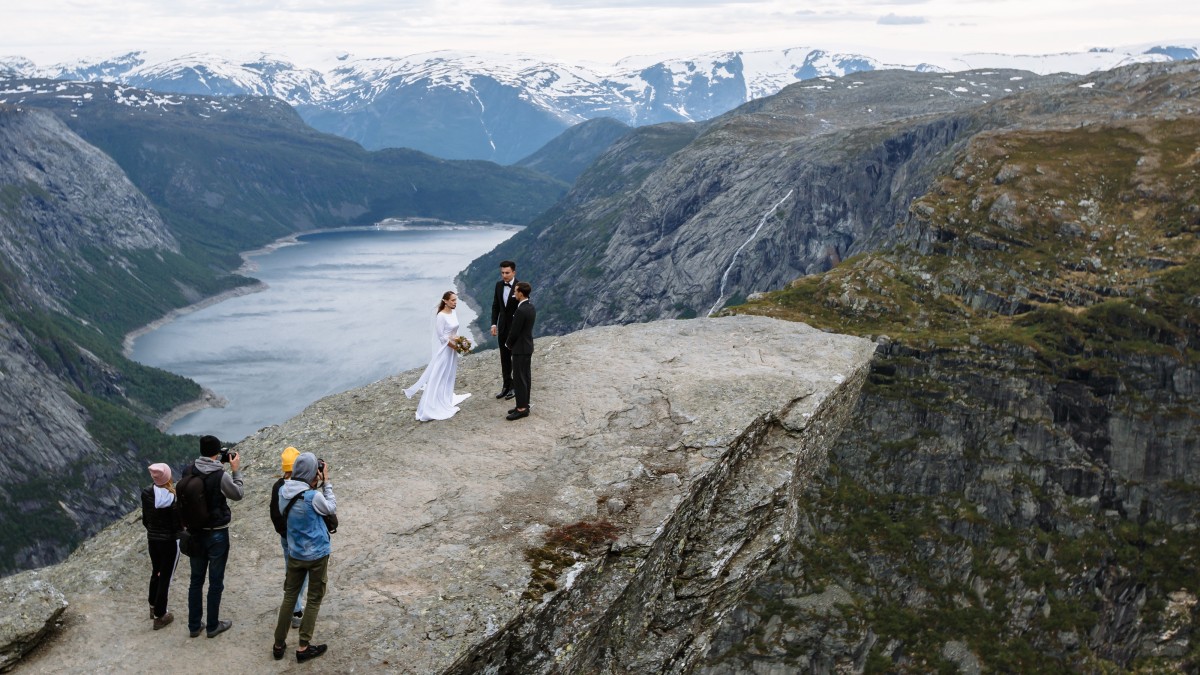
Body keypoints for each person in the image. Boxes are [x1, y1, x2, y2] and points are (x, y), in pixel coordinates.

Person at [271, 452, 336, 663]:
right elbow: (330, 508)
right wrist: (326, 483)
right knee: (314, 598)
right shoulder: (313, 496)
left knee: (290, 597)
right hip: (317, 554)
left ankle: (279, 644)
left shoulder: (282, 491)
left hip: (295, 552)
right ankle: (303, 646)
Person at [181, 434, 244, 639]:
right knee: (215, 581)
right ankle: (212, 625)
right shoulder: (220, 475)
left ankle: (193, 626)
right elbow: (237, 494)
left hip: (195, 533)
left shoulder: (189, 470)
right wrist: (235, 472)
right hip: (217, 534)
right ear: (218, 454)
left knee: (196, 580)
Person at [404, 291, 472, 421]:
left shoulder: (453, 312)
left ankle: (445, 397)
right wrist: (457, 346)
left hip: (453, 350)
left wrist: (462, 341)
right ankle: (431, 404)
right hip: (446, 350)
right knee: (439, 374)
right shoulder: (441, 316)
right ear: (445, 301)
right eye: (452, 300)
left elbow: (455, 332)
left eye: (455, 300)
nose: (455, 302)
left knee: (449, 374)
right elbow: (442, 337)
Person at [142, 463, 181, 631]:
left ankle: (152, 605)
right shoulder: (172, 498)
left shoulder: (147, 493)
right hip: (169, 542)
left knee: (156, 571)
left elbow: (145, 519)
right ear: (168, 478)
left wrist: (153, 530)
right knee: (165, 576)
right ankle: (160, 615)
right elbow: (176, 525)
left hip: (153, 539)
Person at [269, 446, 306, 629]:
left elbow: (274, 513)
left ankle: (295, 607)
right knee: (304, 570)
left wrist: (283, 532)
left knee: (290, 569)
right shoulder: (304, 485)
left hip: (286, 538)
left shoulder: (278, 486)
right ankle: (297, 609)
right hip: (302, 537)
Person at [505, 281, 535, 421]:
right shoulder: (530, 307)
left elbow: (515, 331)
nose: (514, 293)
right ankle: (523, 405)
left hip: (520, 348)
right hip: (527, 346)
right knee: (526, 377)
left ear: (521, 293)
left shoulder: (520, 310)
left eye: (515, 291)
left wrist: (508, 344)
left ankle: (521, 409)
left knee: (519, 378)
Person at [489, 260, 519, 400]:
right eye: (502, 273)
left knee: (516, 358)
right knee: (504, 357)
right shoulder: (499, 285)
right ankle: (506, 385)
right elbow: (496, 306)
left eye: (507, 273)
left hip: (516, 329)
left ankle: (516, 386)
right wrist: (494, 324)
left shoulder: (520, 287)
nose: (504, 276)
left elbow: (524, 309)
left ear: (514, 272)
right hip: (502, 327)